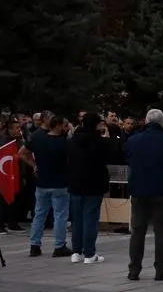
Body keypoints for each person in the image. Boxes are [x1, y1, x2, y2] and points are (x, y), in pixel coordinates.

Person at [124, 109, 163, 281]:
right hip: (161, 191)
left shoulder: (133, 140)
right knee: (161, 231)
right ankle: (161, 269)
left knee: (137, 231)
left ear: (146, 121)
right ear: (162, 122)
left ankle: (134, 269)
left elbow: (127, 158)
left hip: (139, 191)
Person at [20, 115, 72, 258]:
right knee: (60, 215)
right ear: (59, 126)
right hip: (60, 183)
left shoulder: (38, 139)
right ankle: (59, 245)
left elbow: (21, 153)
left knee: (39, 214)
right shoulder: (65, 143)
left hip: (42, 181)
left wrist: (34, 165)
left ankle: (35, 245)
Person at [68, 112, 111, 265]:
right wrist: (106, 139)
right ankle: (89, 253)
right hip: (94, 184)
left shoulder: (74, 139)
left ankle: (76, 252)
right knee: (90, 219)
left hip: (75, 183)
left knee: (77, 220)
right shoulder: (98, 140)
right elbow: (108, 156)